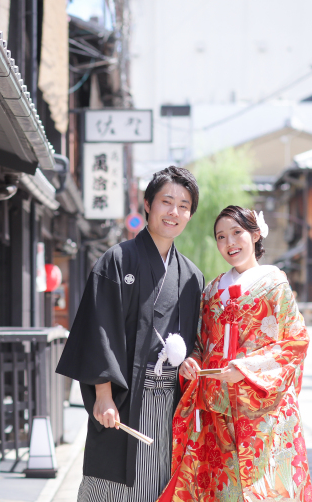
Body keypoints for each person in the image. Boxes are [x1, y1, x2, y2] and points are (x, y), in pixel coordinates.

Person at [57, 166, 204, 502]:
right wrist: (103, 395)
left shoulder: (192, 276)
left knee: (160, 482)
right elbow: (99, 331)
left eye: (184, 206)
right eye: (167, 201)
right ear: (148, 204)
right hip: (124, 399)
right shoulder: (117, 261)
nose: (174, 212)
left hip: (171, 404)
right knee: (114, 483)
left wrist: (191, 361)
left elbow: (197, 339)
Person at [159, 206, 312, 502]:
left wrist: (246, 369)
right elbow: (202, 343)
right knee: (223, 488)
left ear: (255, 235)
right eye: (221, 236)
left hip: (263, 410)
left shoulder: (274, 284)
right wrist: (192, 361)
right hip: (219, 410)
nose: (230, 243)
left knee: (265, 489)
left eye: (237, 233)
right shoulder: (212, 290)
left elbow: (296, 341)